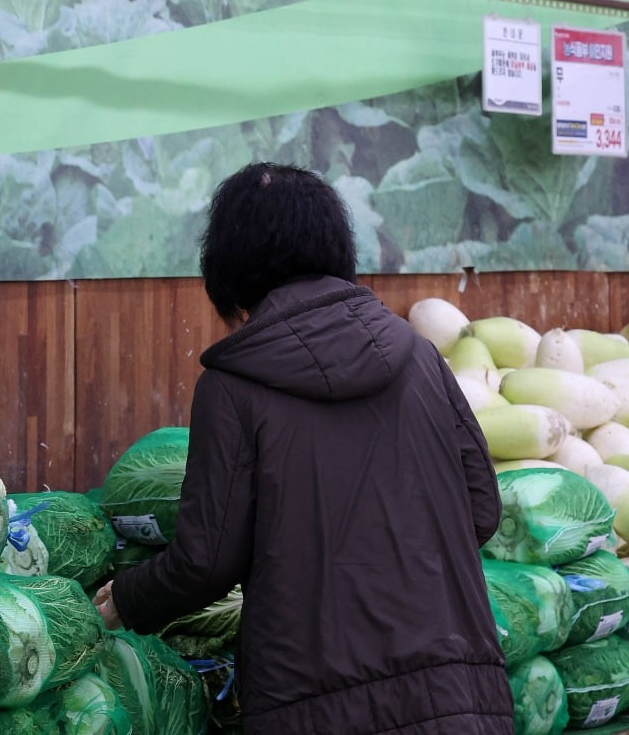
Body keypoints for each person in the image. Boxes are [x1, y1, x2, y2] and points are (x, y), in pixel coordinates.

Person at [93, 162, 514, 734]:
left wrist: (127, 600)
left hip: (312, 706)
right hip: (459, 697)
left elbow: (207, 560)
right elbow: (482, 512)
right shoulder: (421, 359)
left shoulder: (232, 386)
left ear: (229, 267)